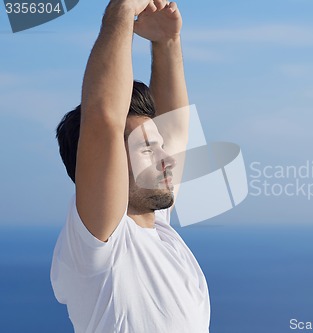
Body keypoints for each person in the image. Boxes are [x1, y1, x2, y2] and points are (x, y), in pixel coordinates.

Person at [50, 1, 210, 332]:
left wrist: (167, 42)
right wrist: (122, 9)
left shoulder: (159, 233)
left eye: (159, 147)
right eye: (148, 150)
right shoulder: (101, 242)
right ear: (107, 164)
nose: (167, 159)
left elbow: (176, 129)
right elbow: (103, 117)